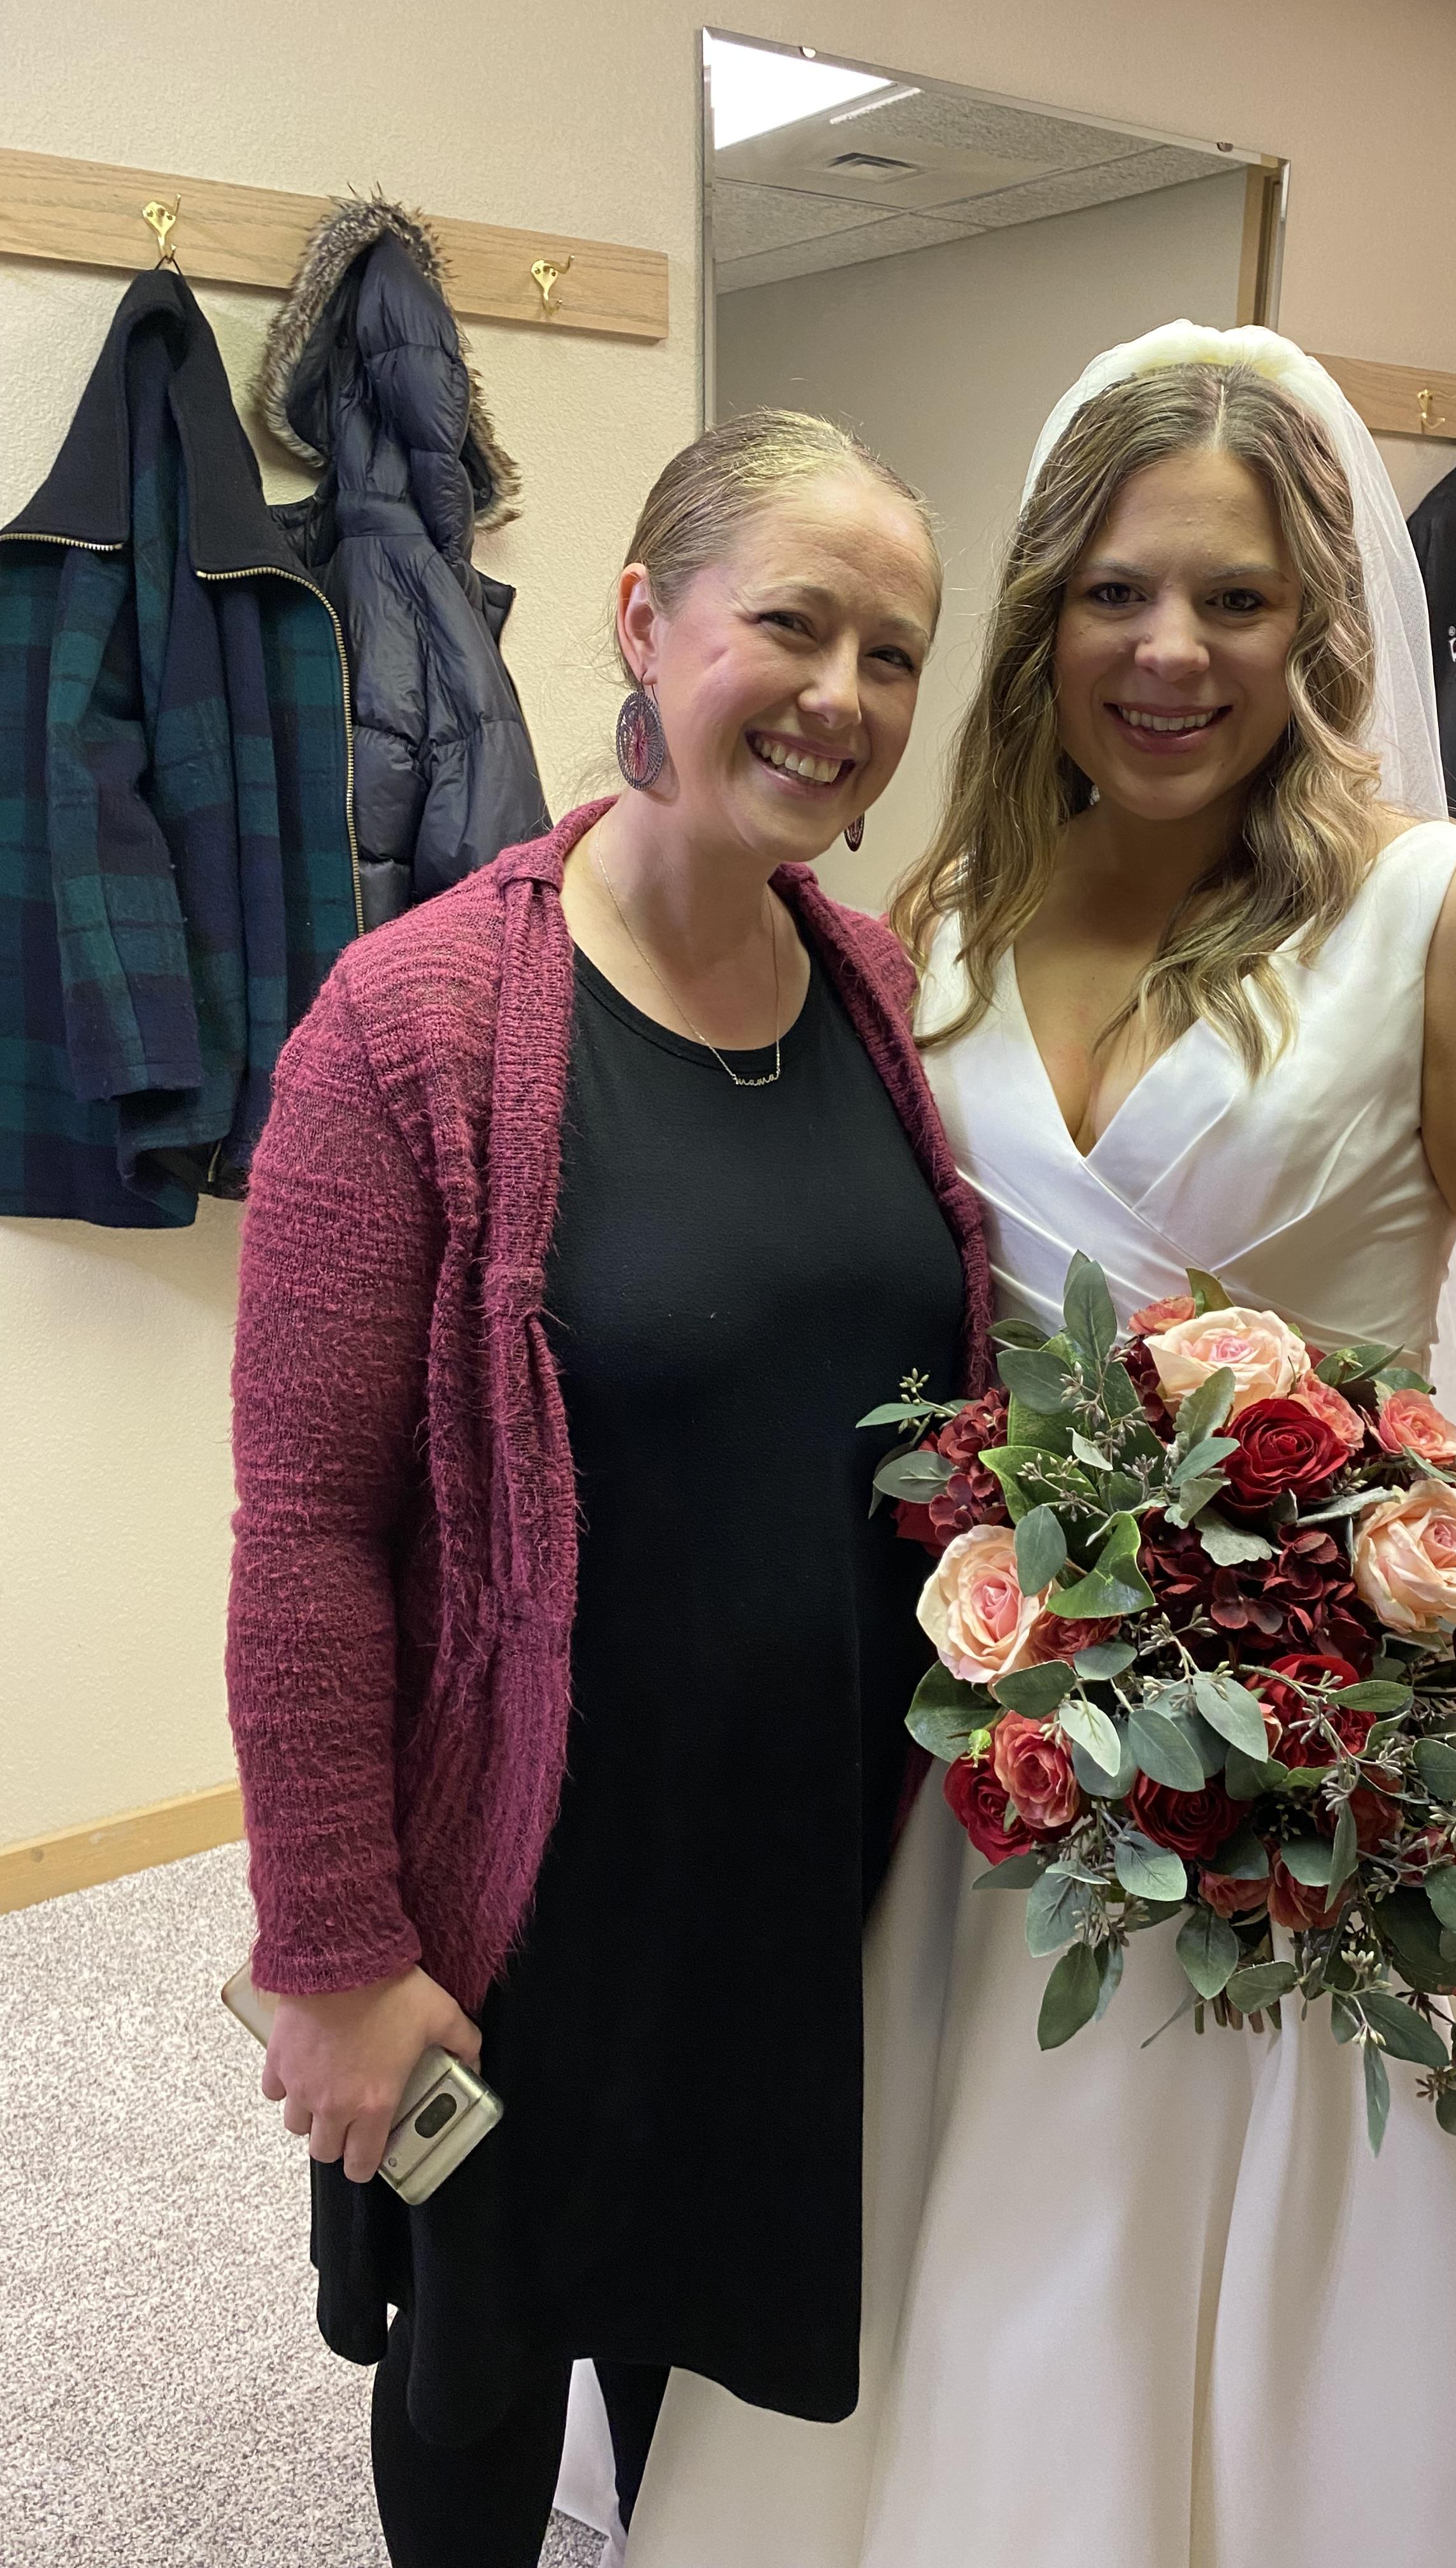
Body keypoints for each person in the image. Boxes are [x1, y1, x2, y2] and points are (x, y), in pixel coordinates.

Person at [599, 331, 1456, 2567]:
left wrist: (1371, 1605)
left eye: (1237, 600)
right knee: (979, 2297)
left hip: (1331, 1759)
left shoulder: (1452, 919)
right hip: (1012, 1755)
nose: (1173, 654)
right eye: (1118, 594)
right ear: (1045, 612)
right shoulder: (936, 921)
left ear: (1316, 623)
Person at [224, 406, 991, 2568]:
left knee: (715, 2339)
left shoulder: (878, 993)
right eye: (794, 627)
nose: (843, 697)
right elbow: (306, 1533)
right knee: (486, 2364)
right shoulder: (412, 1024)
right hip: (538, 1878)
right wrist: (336, 1952)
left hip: (806, 1851)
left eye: (895, 654)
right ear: (647, 622)